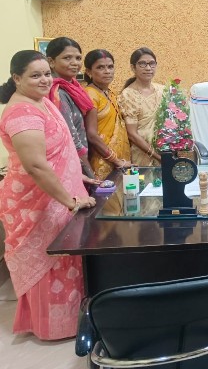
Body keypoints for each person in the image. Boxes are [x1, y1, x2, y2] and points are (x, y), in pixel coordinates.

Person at [0, 51, 96, 340]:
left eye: (46, 74)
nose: (44, 80)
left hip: (58, 193)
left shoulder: (40, 102)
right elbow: (36, 166)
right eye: (35, 75)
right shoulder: (22, 113)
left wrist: (76, 175)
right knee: (48, 260)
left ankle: (72, 320)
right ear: (17, 78)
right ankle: (50, 326)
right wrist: (70, 202)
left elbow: (58, 151)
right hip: (37, 201)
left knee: (67, 259)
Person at [46, 36, 96, 178]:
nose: (75, 63)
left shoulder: (73, 88)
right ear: (51, 61)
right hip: (71, 162)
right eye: (67, 58)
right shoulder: (58, 93)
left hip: (79, 158)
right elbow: (71, 136)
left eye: (78, 58)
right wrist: (88, 170)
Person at [83, 49, 131, 179]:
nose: (107, 71)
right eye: (100, 67)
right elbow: (92, 135)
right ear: (89, 72)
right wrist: (115, 160)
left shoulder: (110, 93)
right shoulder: (90, 94)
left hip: (120, 160)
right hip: (102, 161)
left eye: (110, 67)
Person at [118, 47, 164, 166]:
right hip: (142, 155)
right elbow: (132, 134)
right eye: (142, 64)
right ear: (133, 67)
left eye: (152, 64)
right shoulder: (128, 95)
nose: (148, 68)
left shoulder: (162, 91)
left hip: (164, 150)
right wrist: (155, 155)